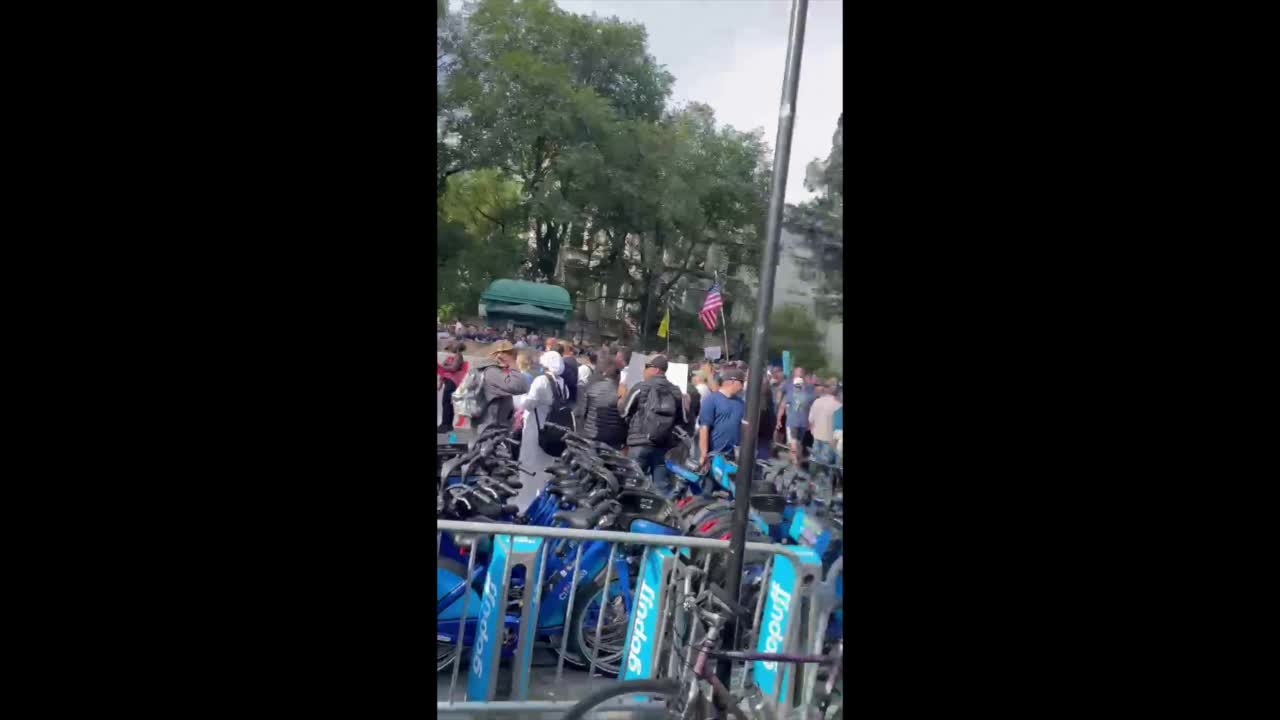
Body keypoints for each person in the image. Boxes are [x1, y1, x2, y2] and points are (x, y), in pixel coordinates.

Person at [512, 351, 570, 511]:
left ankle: (524, 504)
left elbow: (529, 404)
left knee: (528, 466)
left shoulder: (541, 380)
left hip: (534, 430)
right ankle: (541, 502)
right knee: (546, 468)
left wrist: (518, 399)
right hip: (552, 432)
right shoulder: (562, 383)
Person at [620, 355, 686, 491]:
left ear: (656, 370)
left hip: (639, 443)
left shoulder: (641, 387)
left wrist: (622, 397)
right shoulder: (676, 391)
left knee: (633, 485)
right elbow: (683, 419)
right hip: (664, 445)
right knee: (661, 487)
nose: (644, 371)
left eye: (646, 367)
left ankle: (633, 510)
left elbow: (623, 412)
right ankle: (660, 512)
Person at [465, 341, 530, 430]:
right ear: (499, 355)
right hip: (491, 429)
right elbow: (520, 385)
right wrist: (512, 363)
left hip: (490, 426)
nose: (514, 357)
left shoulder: (489, 370)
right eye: (510, 354)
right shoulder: (492, 372)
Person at [698, 368, 747, 467]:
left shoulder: (741, 403)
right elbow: (704, 428)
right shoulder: (711, 400)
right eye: (741, 382)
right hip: (714, 455)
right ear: (732, 381)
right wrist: (704, 454)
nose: (743, 386)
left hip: (734, 457)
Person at [583, 360, 627, 449]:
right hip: (613, 439)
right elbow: (624, 416)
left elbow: (584, 411)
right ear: (618, 376)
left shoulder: (592, 387)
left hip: (591, 434)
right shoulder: (620, 392)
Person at [778, 368, 816, 462]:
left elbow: (782, 406)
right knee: (798, 442)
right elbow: (813, 408)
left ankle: (795, 462)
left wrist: (778, 419)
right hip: (803, 422)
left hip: (792, 421)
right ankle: (797, 460)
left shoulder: (790, 394)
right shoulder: (809, 394)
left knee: (793, 442)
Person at [808, 378, 842, 466]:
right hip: (829, 439)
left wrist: (814, 432)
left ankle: (813, 479)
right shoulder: (838, 404)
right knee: (827, 467)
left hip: (817, 437)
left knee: (815, 463)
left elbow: (811, 420)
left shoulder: (817, 401)